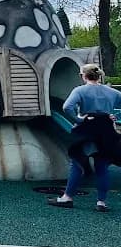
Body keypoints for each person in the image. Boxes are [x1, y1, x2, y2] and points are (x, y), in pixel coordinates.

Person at [48, 64, 121, 212]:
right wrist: (112, 116)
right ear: (99, 75)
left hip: (88, 128)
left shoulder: (80, 90)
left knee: (77, 163)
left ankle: (67, 198)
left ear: (83, 76)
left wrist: (79, 119)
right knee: (102, 166)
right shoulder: (112, 92)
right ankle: (101, 202)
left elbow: (67, 107)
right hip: (107, 130)